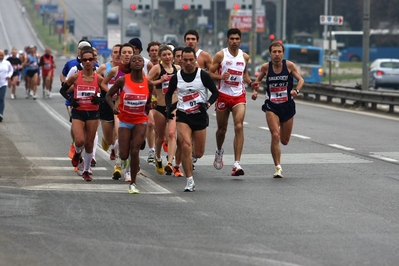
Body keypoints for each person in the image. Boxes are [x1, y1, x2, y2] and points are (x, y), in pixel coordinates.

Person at [165, 46, 219, 192]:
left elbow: (215, 93)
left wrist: (207, 104)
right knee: (186, 146)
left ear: (195, 60)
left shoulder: (203, 75)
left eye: (191, 60)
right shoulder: (177, 77)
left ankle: (191, 158)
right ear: (181, 60)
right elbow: (169, 93)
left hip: (199, 115)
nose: (188, 63)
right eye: (185, 60)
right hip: (183, 115)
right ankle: (189, 180)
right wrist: (169, 107)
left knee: (199, 152)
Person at [251, 41, 305, 178]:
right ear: (270, 53)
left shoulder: (289, 66)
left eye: (279, 52)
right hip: (272, 105)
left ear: (283, 53)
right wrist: (255, 91)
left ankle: (281, 128)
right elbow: (257, 82)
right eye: (274, 52)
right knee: (275, 135)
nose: (276, 54)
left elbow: (301, 80)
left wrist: (296, 91)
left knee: (285, 141)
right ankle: (278, 168)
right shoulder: (265, 68)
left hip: (287, 105)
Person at [106, 54, 154, 194]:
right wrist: (113, 107)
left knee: (135, 150)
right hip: (125, 121)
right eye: (134, 60)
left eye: (140, 60)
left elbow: (148, 103)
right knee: (124, 154)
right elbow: (108, 95)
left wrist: (151, 105)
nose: (138, 62)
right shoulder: (122, 80)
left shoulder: (148, 84)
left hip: (140, 121)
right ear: (130, 65)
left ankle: (133, 183)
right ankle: (120, 153)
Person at [209, 28, 252, 176]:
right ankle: (219, 151)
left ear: (240, 40)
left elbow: (244, 75)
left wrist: (252, 83)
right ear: (227, 40)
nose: (234, 41)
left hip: (238, 95)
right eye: (232, 39)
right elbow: (209, 73)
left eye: (237, 39)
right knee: (222, 129)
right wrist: (221, 77)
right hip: (223, 95)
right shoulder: (221, 55)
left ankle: (236, 164)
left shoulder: (245, 56)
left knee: (239, 126)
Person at [59, 47, 105, 182]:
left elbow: (109, 93)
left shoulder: (99, 78)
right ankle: (77, 154)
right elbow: (63, 90)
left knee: (89, 143)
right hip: (78, 112)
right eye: (85, 59)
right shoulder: (75, 76)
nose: (88, 62)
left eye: (91, 59)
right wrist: (71, 99)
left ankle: (86, 170)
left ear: (94, 60)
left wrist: (100, 99)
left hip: (93, 112)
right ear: (81, 60)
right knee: (79, 140)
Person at [147, 45, 180, 175]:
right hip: (160, 107)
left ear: (172, 55)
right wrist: (161, 80)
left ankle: (170, 162)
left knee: (171, 134)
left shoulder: (177, 69)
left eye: (169, 54)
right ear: (160, 57)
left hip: (174, 106)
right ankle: (158, 156)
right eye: (164, 55)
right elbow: (146, 82)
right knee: (161, 137)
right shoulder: (157, 68)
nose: (167, 57)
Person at [61, 40, 93, 159]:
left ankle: (86, 154)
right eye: (81, 48)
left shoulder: (95, 66)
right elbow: (64, 78)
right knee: (77, 127)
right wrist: (71, 89)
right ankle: (74, 145)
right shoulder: (72, 65)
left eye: (86, 48)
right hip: (73, 101)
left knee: (88, 133)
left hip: (90, 104)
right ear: (78, 51)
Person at [97, 44, 121, 160]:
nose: (118, 54)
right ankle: (108, 142)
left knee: (118, 131)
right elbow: (96, 82)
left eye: (120, 52)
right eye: (115, 52)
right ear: (112, 54)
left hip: (120, 103)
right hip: (107, 103)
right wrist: (110, 92)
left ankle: (115, 152)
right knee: (108, 138)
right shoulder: (104, 68)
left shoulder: (126, 70)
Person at [0, 50, 13, 122]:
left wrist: (9, 76)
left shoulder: (7, 63)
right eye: (0, 55)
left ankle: (1, 114)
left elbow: (11, 70)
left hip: (3, 83)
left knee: (1, 98)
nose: (1, 57)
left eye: (2, 55)